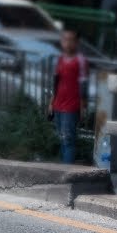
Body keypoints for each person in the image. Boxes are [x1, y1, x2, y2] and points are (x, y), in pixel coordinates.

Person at [51, 29, 88, 164]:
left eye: (71, 40)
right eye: (65, 39)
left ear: (77, 42)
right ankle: (63, 167)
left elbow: (83, 85)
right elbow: (56, 82)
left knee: (68, 140)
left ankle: (67, 171)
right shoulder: (60, 59)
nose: (67, 43)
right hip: (58, 104)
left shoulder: (80, 61)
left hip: (71, 106)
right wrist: (51, 102)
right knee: (61, 138)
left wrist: (83, 108)